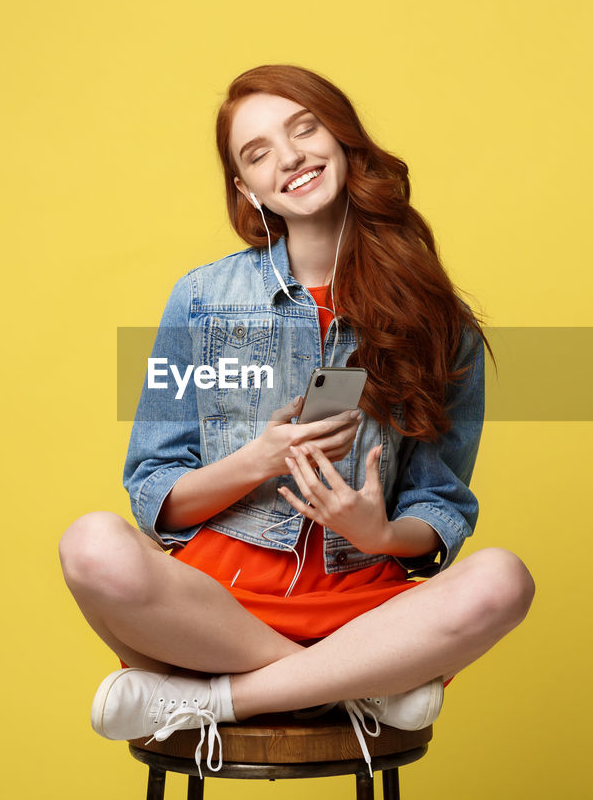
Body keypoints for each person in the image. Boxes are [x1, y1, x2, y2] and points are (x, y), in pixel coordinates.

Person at [59, 64, 535, 775]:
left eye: (303, 128)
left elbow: (438, 505)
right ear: (247, 189)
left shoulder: (440, 321)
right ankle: (357, 688)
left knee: (505, 579)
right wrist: (260, 458)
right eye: (257, 153)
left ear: (342, 139)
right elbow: (153, 488)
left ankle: (216, 700)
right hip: (219, 608)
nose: (289, 157)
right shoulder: (198, 298)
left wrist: (377, 532)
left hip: (365, 612)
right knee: (91, 543)